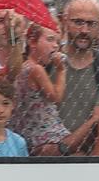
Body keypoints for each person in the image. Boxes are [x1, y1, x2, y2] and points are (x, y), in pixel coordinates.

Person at [53, 0, 99, 155]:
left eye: (91, 24)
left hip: (90, 155)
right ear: (64, 22)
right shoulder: (50, 62)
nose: (84, 30)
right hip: (49, 156)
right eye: (78, 22)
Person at [10, 22, 72, 155]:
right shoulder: (36, 69)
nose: (55, 46)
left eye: (58, 41)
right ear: (32, 42)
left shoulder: (24, 66)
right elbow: (56, 97)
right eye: (50, 39)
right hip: (43, 135)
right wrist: (61, 70)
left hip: (29, 132)